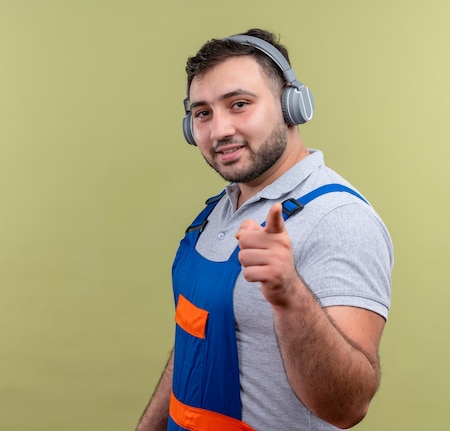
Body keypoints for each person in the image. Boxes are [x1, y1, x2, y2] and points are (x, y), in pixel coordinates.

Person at [135, 28, 393, 431]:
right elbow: (191, 344)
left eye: (239, 104)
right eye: (203, 113)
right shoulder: (220, 208)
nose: (219, 130)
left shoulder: (339, 218)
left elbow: (348, 407)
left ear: (292, 105)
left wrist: (289, 294)